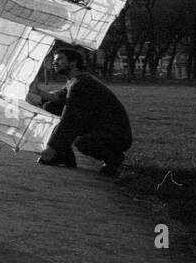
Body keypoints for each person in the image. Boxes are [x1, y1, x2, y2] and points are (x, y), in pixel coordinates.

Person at [32, 46, 132, 177]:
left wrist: (51, 148)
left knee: (83, 143)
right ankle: (63, 156)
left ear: (73, 62)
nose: (55, 62)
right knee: (50, 106)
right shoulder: (76, 81)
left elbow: (68, 120)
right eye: (55, 60)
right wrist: (35, 92)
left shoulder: (81, 84)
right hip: (101, 128)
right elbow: (57, 97)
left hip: (116, 135)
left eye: (60, 59)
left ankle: (114, 160)